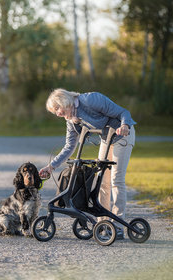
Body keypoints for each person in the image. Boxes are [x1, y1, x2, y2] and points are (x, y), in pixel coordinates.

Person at [39, 88, 136, 239]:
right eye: (55, 112)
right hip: (107, 138)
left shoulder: (90, 100)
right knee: (102, 181)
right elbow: (69, 146)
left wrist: (125, 126)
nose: (58, 113)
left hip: (122, 135)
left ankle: (118, 225)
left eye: (57, 108)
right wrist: (51, 166)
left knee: (116, 179)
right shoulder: (71, 119)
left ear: (63, 101)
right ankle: (103, 224)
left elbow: (123, 112)